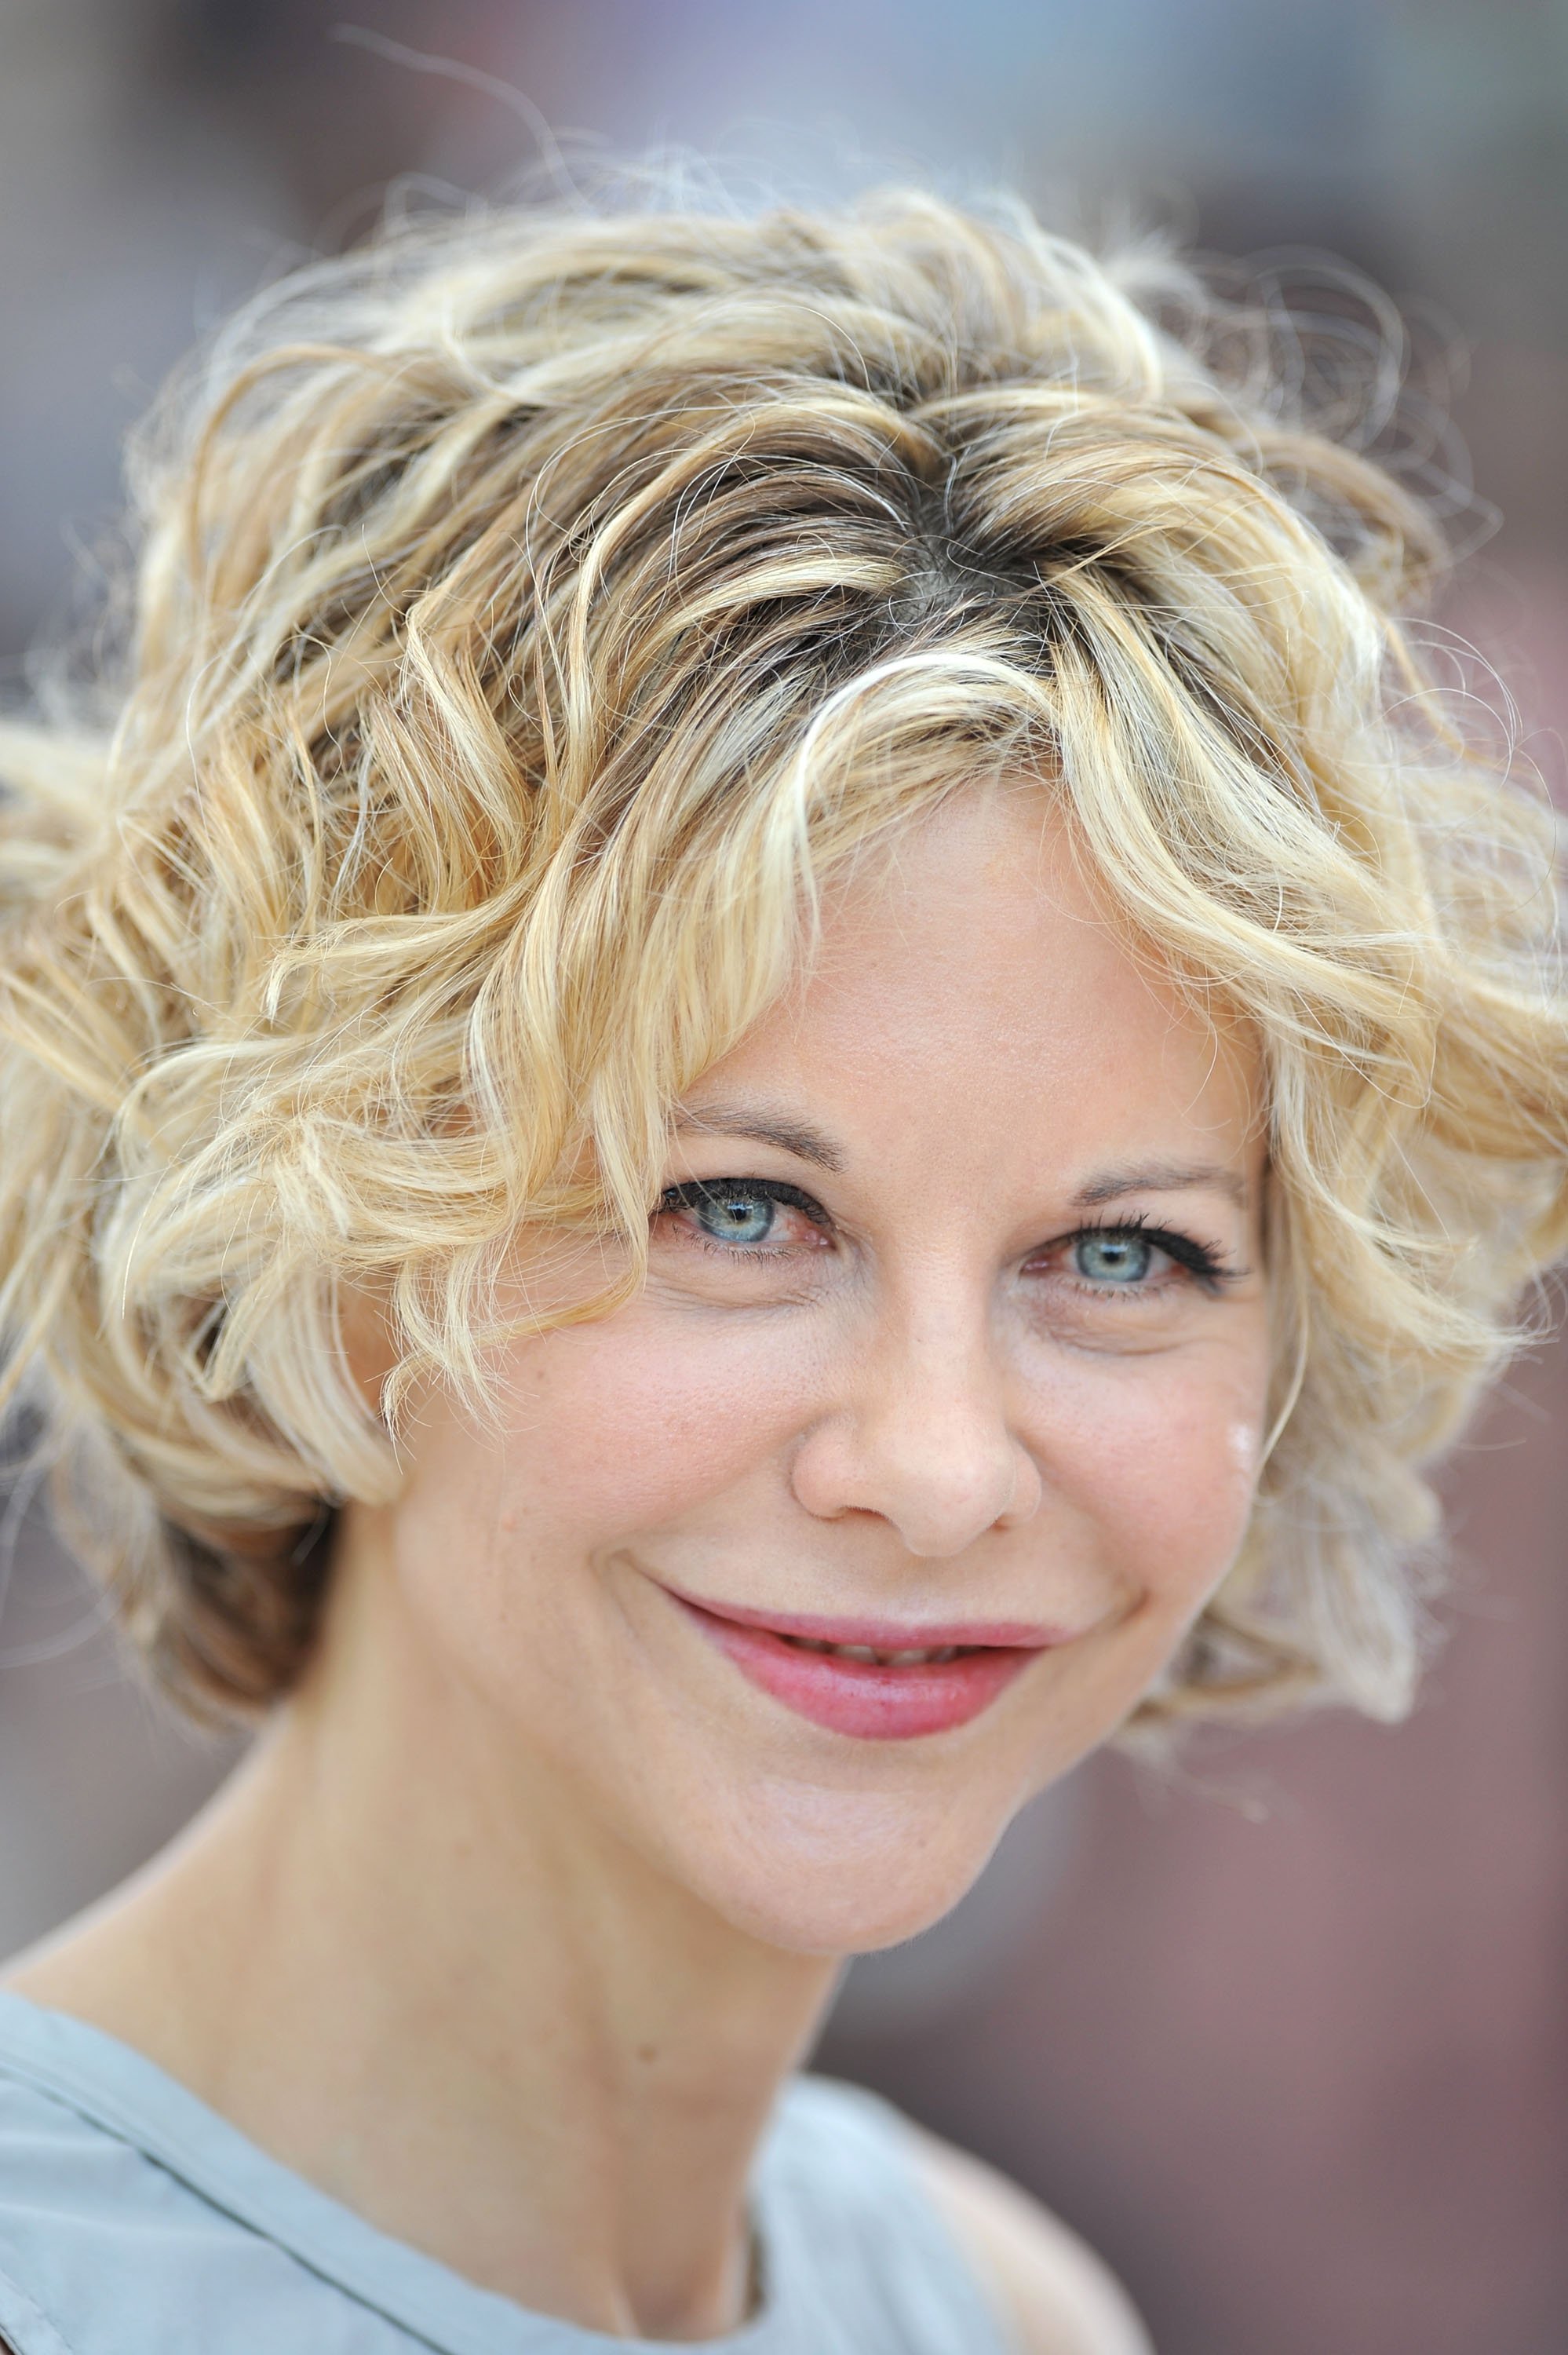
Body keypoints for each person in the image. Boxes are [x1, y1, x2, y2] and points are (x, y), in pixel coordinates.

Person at [0, 186, 1563, 2355]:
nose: (937, 1469)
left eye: (1122, 1251)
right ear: (326, 1220)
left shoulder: (1001, 2316)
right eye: (741, 1212)